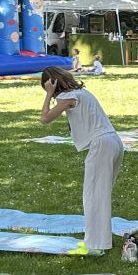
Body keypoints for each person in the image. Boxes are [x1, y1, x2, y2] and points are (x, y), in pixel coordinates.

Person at [39, 71, 124, 253]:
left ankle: (96, 243)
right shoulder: (81, 93)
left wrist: (48, 94)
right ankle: (101, 240)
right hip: (114, 141)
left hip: (102, 144)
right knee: (100, 195)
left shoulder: (67, 97)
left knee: (93, 196)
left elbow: (45, 119)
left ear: (53, 84)